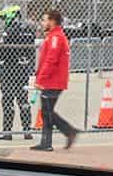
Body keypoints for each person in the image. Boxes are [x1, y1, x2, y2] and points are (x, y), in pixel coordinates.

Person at [31, 8, 78, 151]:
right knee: (47, 111)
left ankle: (67, 132)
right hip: (50, 80)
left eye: (44, 20)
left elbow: (51, 60)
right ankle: (49, 141)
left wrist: (41, 79)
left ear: (52, 21)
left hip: (53, 81)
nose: (42, 23)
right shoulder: (53, 36)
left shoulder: (56, 38)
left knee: (47, 111)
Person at [0, 4, 35, 141]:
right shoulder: (28, 30)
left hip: (9, 68)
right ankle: (27, 130)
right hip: (23, 68)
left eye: (5, 18)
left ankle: (7, 132)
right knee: (23, 99)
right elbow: (30, 51)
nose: (4, 21)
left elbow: (3, 51)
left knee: (8, 99)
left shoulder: (9, 30)